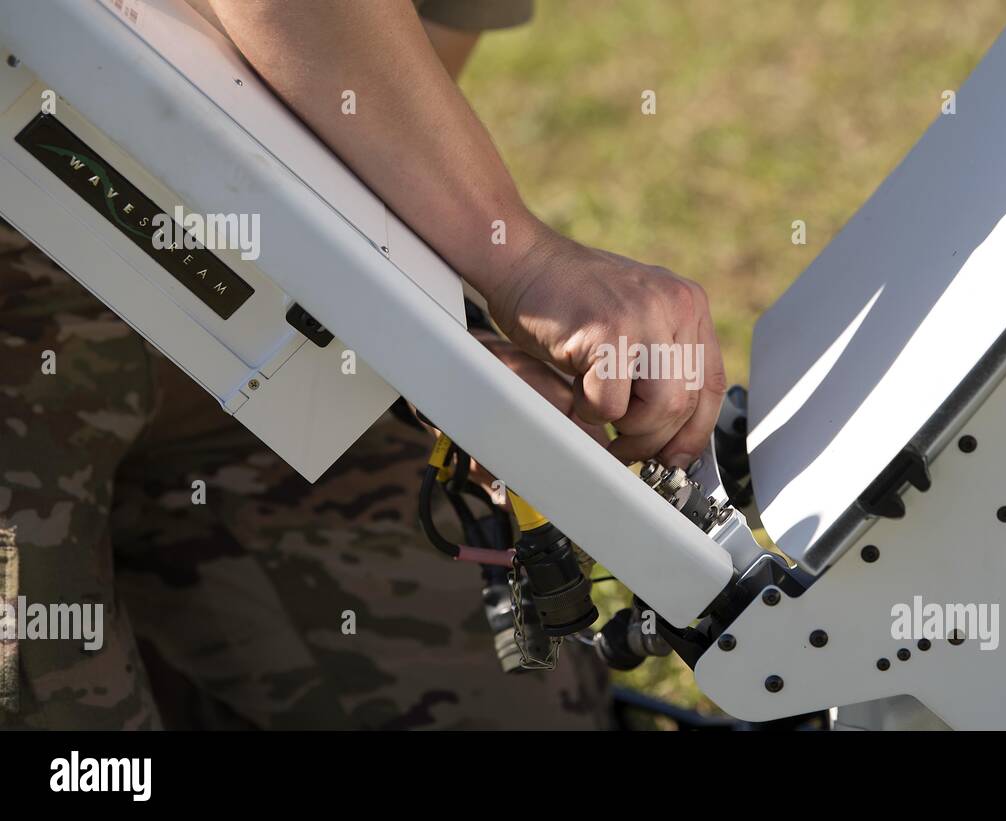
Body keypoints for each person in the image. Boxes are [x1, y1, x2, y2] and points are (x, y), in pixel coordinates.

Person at [0, 0, 725, 729]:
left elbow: (368, 104)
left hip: (220, 310)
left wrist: (434, 338)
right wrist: (524, 263)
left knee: (509, 715)